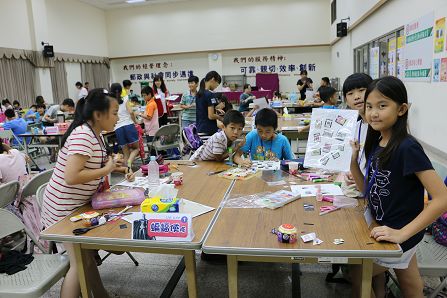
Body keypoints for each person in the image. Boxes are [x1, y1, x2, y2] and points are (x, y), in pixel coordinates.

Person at [348, 76, 447, 298]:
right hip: (384, 225)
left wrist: (402, 233)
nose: (373, 113)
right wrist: (353, 162)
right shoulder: (378, 142)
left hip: (399, 231)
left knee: (358, 275)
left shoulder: (407, 147)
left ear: (401, 109)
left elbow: (442, 198)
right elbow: (368, 188)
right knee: (410, 281)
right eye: (369, 106)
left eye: (382, 106)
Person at [41, 88, 134, 298]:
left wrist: (117, 167)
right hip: (62, 210)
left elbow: (92, 165)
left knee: (87, 259)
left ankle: (102, 295)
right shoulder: (83, 134)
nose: (117, 117)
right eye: (114, 112)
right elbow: (72, 176)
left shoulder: (94, 133)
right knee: (79, 264)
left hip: (76, 206)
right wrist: (107, 169)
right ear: (98, 114)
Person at [343, 73, 373, 175]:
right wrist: (350, 174)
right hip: (358, 184)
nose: (356, 97)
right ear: (346, 101)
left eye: (361, 90)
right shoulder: (353, 127)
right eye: (350, 93)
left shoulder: (381, 127)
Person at [111, 83, 140, 169]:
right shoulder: (125, 99)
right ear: (121, 91)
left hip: (118, 128)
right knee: (136, 148)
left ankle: (127, 170)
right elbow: (131, 112)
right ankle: (129, 162)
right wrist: (135, 122)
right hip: (128, 125)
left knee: (125, 152)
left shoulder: (111, 103)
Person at [196, 71, 223, 136]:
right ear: (213, 79)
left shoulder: (199, 94)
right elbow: (211, 116)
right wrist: (221, 118)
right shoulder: (210, 94)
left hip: (200, 128)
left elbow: (203, 109)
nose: (216, 86)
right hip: (209, 129)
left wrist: (215, 109)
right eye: (217, 84)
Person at [139, 86, 159, 153]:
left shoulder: (151, 104)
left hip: (151, 130)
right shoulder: (150, 103)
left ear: (150, 94)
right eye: (142, 96)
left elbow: (149, 117)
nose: (143, 97)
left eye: (144, 95)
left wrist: (140, 114)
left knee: (151, 148)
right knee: (152, 147)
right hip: (151, 129)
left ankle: (152, 160)